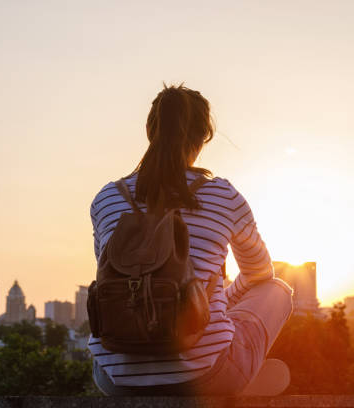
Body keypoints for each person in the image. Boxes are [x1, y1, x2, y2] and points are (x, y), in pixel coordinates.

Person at [88, 84, 293, 396]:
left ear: (149, 132)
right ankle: (236, 369)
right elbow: (259, 274)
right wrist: (218, 296)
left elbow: (116, 280)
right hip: (202, 377)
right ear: (203, 137)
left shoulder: (106, 199)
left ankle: (223, 362)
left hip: (115, 378)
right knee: (278, 289)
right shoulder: (223, 194)